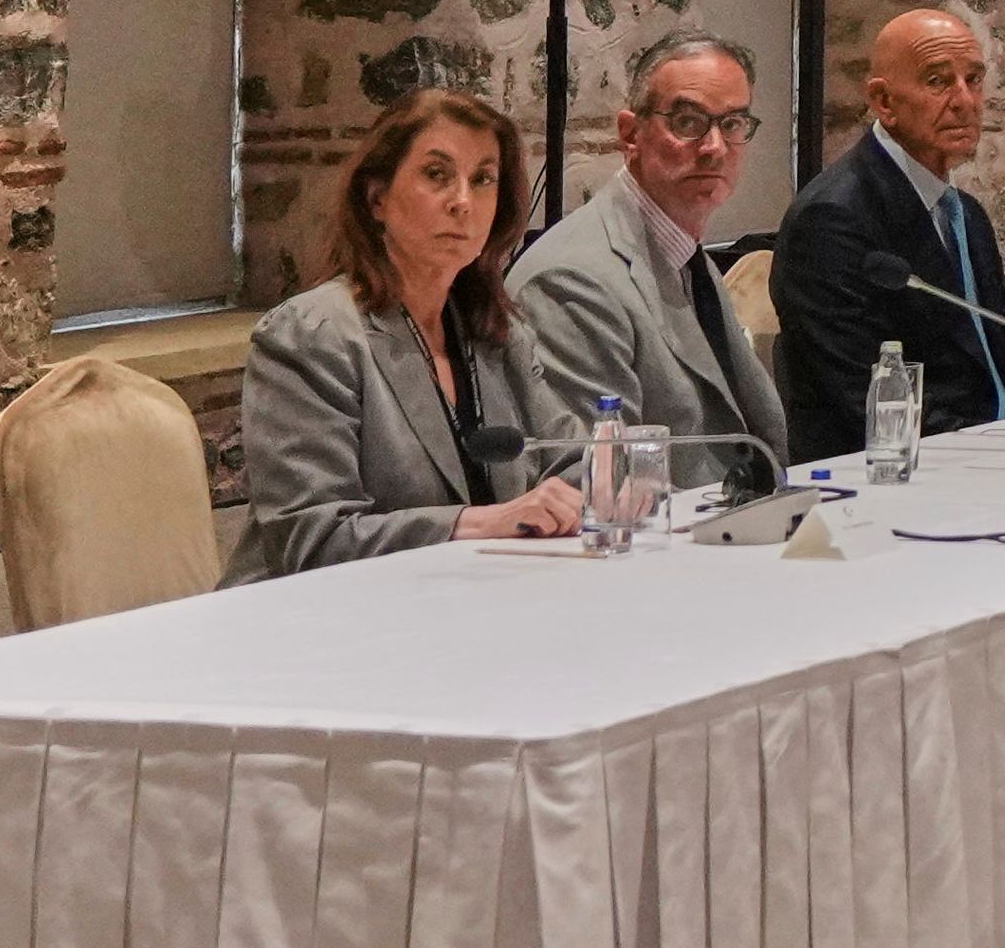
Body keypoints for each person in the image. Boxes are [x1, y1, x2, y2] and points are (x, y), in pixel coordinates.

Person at [231, 88, 596, 575]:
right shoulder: (312, 336)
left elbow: (576, 465)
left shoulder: (497, 333)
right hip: (316, 614)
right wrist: (477, 523)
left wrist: (620, 483)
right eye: (436, 174)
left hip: (467, 600)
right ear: (377, 199)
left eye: (483, 179)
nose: (462, 202)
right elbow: (313, 540)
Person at [773, 3, 1005, 457]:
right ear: (883, 102)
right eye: (937, 82)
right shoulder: (831, 222)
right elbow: (874, 401)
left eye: (974, 79)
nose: (965, 101)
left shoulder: (964, 214)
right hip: (918, 469)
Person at [499, 30, 781, 490]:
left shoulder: (683, 249)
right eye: (688, 122)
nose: (715, 147)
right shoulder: (571, 280)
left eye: (733, 124)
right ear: (631, 134)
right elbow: (603, 486)